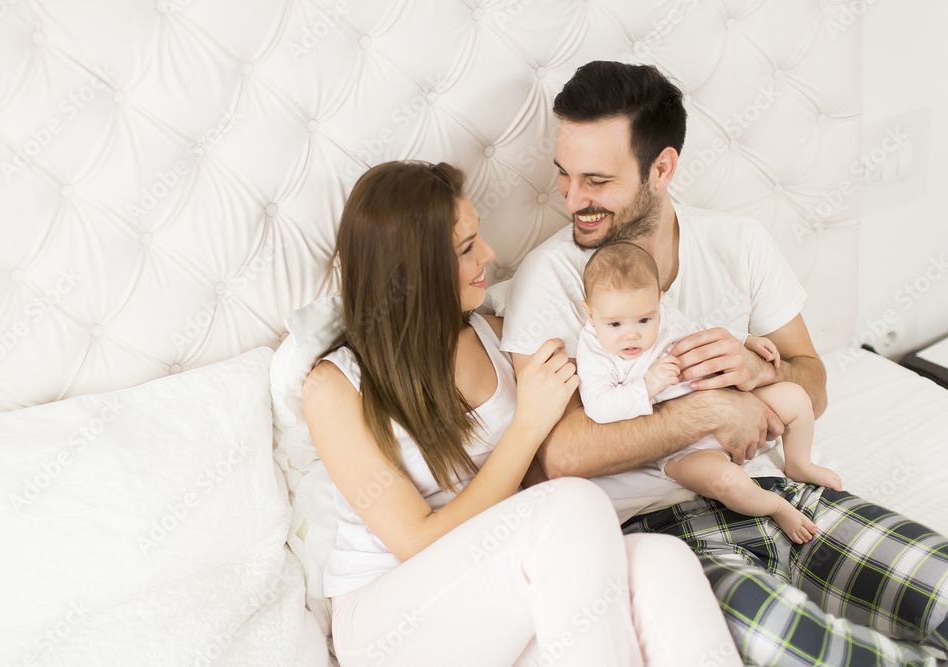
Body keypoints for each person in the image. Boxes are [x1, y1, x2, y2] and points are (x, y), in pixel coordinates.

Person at [500, 61, 948, 665]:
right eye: (565, 177)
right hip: (658, 533)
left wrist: (762, 375)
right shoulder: (551, 278)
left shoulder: (738, 242)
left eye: (596, 181)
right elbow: (557, 454)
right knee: (832, 657)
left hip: (778, 492)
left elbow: (810, 376)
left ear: (662, 168)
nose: (573, 200)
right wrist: (710, 409)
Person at [302, 160, 741, 667]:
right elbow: (415, 542)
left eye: (477, 237)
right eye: (466, 248)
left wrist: (744, 363)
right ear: (413, 273)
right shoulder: (335, 386)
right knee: (571, 504)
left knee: (664, 563)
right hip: (390, 618)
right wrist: (529, 424)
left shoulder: (498, 335)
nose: (488, 254)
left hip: (494, 589)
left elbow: (627, 364)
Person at [577, 241, 842, 544]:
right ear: (589, 312)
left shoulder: (664, 315)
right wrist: (647, 386)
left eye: (644, 320)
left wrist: (745, 340)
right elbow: (599, 406)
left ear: (659, 301)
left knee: (795, 397)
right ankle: (777, 507)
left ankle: (799, 462)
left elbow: (701, 329)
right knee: (727, 481)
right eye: (614, 323)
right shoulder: (595, 350)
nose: (632, 334)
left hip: (736, 404)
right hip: (684, 449)